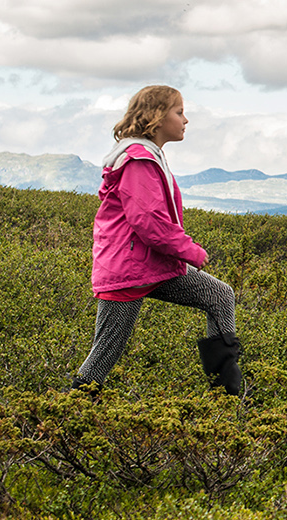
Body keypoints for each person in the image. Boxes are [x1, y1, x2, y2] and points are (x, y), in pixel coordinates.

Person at [71, 85, 242, 396]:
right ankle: (69, 412)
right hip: (129, 271)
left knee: (219, 296)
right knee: (105, 351)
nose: (185, 120)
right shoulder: (139, 161)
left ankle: (226, 392)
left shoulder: (148, 155)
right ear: (157, 118)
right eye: (179, 113)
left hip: (151, 265)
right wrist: (189, 250)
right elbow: (148, 221)